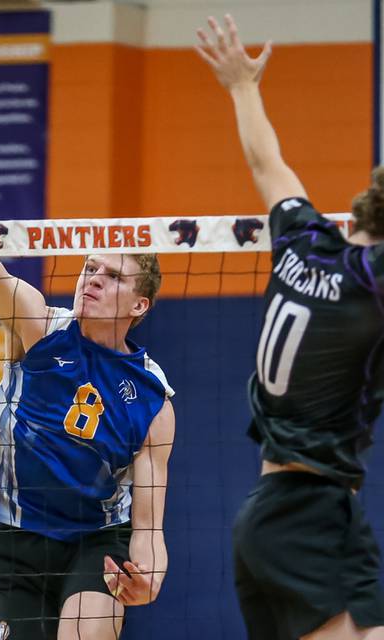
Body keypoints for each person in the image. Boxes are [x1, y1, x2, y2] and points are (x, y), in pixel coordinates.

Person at [0, 139, 176, 639]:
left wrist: (150, 578)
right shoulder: (40, 325)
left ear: (141, 306)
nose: (92, 280)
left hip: (97, 537)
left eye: (112, 276)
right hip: (18, 536)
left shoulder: (154, 398)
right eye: (90, 268)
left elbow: (149, 524)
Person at [196, 15, 384, 640]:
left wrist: (242, 87)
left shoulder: (304, 243)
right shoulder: (370, 280)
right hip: (306, 516)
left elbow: (266, 163)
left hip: (287, 510)